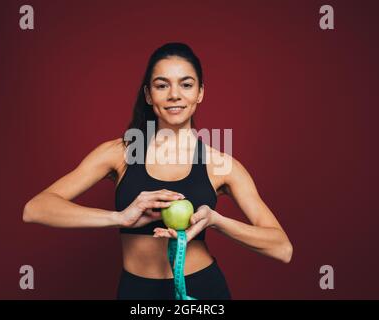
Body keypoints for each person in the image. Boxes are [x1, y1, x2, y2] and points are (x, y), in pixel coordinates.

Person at [22, 42, 293, 300]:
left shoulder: (220, 164)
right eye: (162, 85)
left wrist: (216, 221)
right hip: (136, 293)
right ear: (148, 95)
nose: (174, 94)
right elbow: (35, 209)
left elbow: (282, 248)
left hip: (201, 289)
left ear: (200, 92)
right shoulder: (120, 153)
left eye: (186, 84)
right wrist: (120, 218)